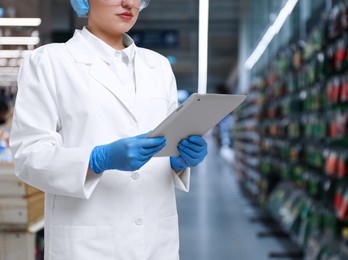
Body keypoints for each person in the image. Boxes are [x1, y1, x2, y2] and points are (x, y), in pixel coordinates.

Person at [9, 0, 208, 259]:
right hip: (87, 245)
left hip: (156, 241)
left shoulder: (158, 67)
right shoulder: (49, 62)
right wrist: (96, 159)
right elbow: (28, 156)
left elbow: (166, 141)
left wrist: (178, 160)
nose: (128, 3)